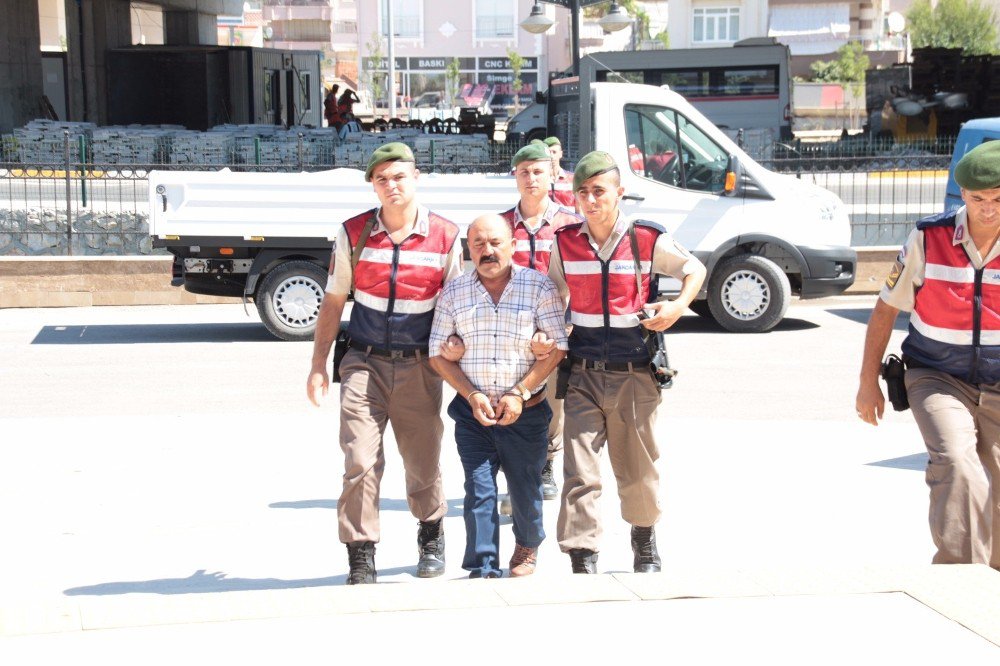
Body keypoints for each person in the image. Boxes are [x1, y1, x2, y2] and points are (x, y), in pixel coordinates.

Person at [307, 142, 463, 584]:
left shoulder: (446, 235)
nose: (391, 186)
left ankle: (431, 531)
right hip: (364, 362)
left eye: (399, 176)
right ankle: (361, 551)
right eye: (381, 179)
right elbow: (334, 301)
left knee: (422, 459)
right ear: (372, 186)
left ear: (416, 177)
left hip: (420, 366)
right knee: (359, 458)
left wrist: (455, 349)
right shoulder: (354, 233)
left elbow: (455, 304)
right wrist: (319, 364)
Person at [548, 150, 706, 574]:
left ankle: (643, 540)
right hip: (582, 372)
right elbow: (553, 295)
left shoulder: (646, 239)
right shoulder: (564, 244)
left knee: (637, 469)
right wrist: (548, 331)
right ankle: (582, 556)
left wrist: (676, 307)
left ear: (619, 192)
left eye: (599, 190)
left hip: (635, 371)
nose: (590, 199)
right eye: (583, 192)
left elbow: (695, 270)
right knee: (579, 470)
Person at [856, 141, 1000, 568]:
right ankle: (960, 580)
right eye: (978, 199)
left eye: (998, 198)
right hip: (936, 376)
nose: (988, 209)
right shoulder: (929, 237)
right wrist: (868, 384)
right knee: (957, 465)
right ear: (962, 196)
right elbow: (885, 310)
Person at [429, 214, 568, 579]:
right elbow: (435, 353)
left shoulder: (539, 288)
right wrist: (470, 393)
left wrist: (520, 393)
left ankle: (527, 545)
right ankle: (483, 564)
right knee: (478, 491)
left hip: (527, 413)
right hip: (473, 414)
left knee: (525, 490)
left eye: (495, 243)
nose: (487, 251)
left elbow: (558, 348)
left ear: (513, 245)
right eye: (478, 244)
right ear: (468, 249)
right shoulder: (455, 292)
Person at [544, 136, 575, 209]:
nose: (551, 156)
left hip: (569, 219)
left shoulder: (572, 178)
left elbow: (579, 206)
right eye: (548, 152)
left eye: (554, 152)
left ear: (561, 154)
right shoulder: (540, 179)